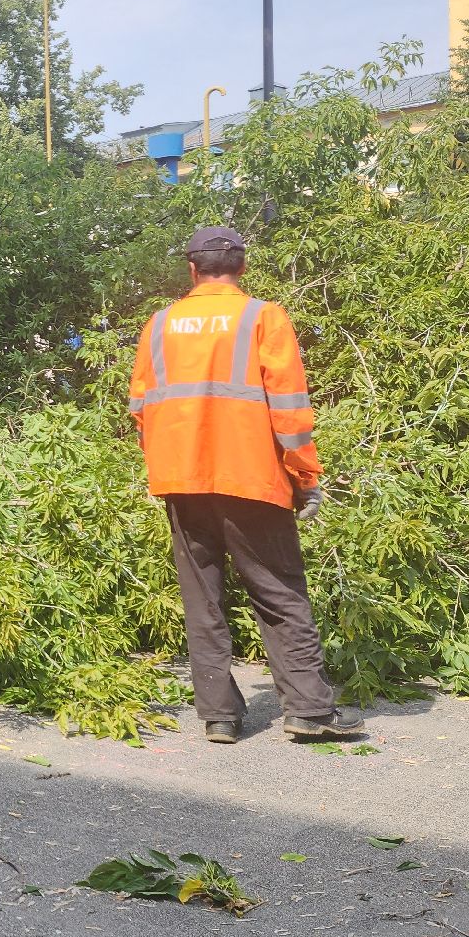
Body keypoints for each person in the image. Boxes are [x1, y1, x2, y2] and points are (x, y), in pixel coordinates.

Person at [127, 226, 364, 745]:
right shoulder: (263, 317)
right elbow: (290, 409)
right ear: (243, 267)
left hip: (182, 479)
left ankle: (219, 717)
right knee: (278, 592)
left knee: (202, 599)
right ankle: (309, 710)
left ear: (192, 269)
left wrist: (167, 466)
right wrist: (305, 477)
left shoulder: (160, 324)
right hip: (251, 475)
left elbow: (141, 409)